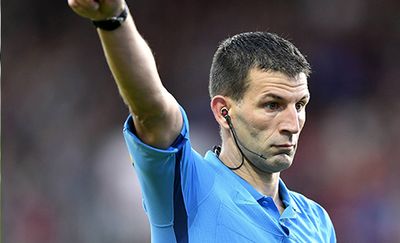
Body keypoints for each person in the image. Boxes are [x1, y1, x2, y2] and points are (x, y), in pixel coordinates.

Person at [68, 0, 336, 242]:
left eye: (300, 105)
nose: (292, 123)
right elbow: (152, 109)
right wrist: (114, 19)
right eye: (272, 105)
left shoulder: (316, 221)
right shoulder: (188, 188)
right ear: (223, 112)